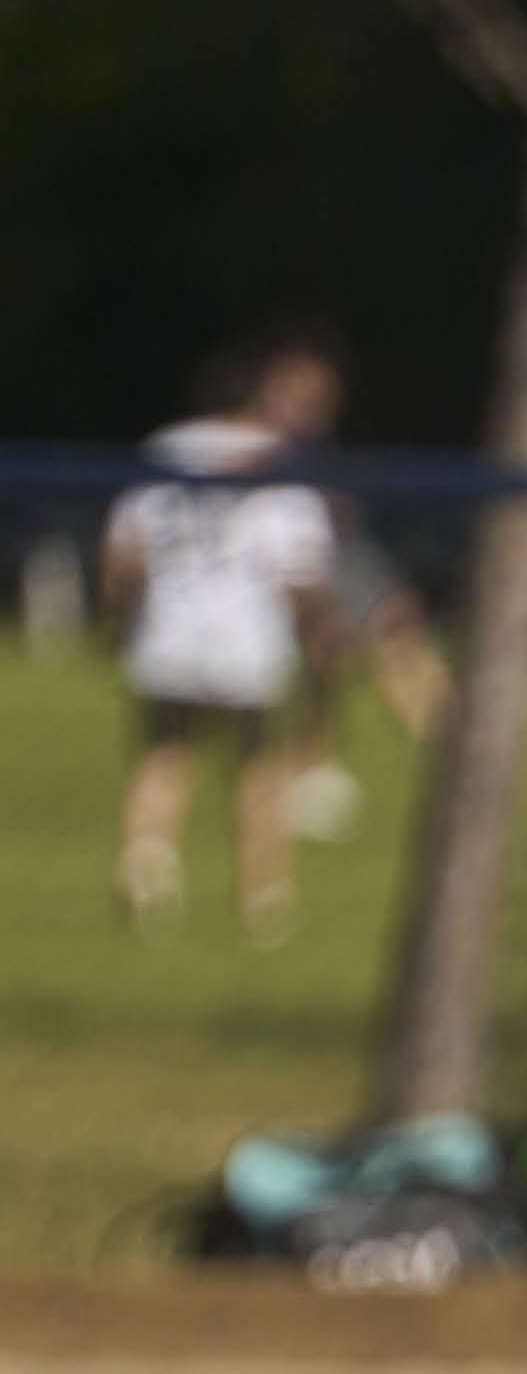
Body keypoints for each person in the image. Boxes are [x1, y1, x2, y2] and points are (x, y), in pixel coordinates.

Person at [97, 332, 342, 941]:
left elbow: (126, 550)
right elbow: (299, 566)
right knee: (259, 764)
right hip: (247, 633)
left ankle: (147, 870)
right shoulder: (277, 459)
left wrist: (119, 612)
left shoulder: (165, 448)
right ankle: (264, 896)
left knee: (165, 752)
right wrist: (318, 624)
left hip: (171, 625)